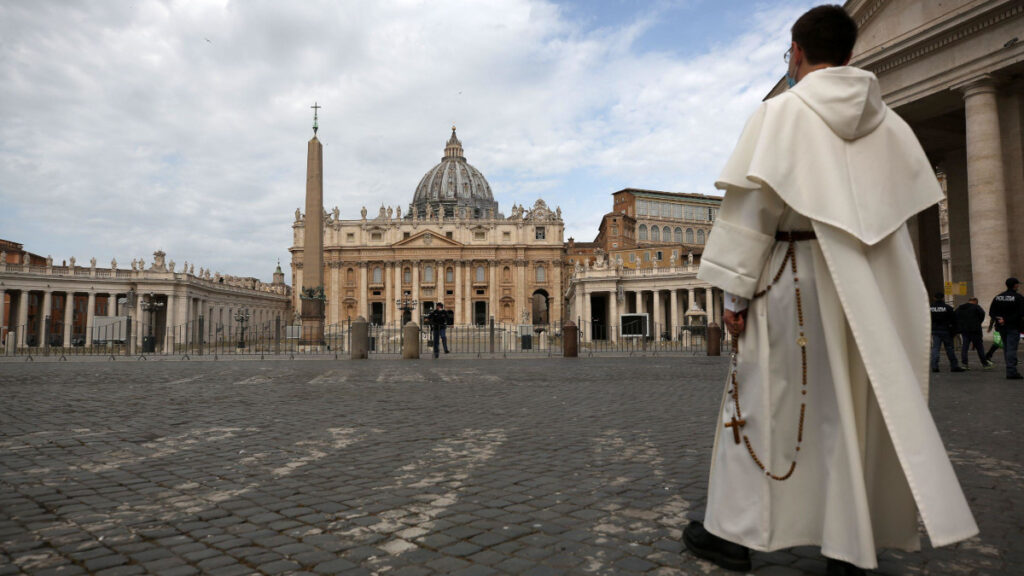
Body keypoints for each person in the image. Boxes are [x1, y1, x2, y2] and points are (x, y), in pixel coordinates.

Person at [686, 5, 977, 575]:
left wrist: (733, 297)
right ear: (849, 53)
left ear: (796, 51)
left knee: (762, 406)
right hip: (865, 292)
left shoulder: (779, 113)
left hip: (791, 281)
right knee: (851, 410)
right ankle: (851, 544)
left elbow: (752, 211)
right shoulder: (889, 124)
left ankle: (734, 535)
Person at [989, 277, 1023, 380]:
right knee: (1011, 349)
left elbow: (991, 312)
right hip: (1013, 326)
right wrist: (1007, 320)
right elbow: (1021, 313)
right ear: (1015, 285)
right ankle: (1011, 371)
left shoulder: (998, 297)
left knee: (1007, 348)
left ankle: (1010, 370)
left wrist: (999, 319)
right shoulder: (1018, 297)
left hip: (1001, 327)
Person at [930, 293, 965, 373]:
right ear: (943, 298)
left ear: (934, 298)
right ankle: (954, 366)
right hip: (946, 330)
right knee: (949, 348)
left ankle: (934, 366)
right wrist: (955, 331)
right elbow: (954, 320)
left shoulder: (930, 308)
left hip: (935, 330)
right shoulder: (948, 308)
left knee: (935, 348)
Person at [955, 297, 992, 370]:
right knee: (980, 347)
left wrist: (960, 325)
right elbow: (982, 315)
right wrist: (978, 323)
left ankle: (964, 364)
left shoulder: (960, 307)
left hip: (964, 330)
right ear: (975, 301)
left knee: (965, 347)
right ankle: (985, 364)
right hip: (975, 330)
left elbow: (955, 316)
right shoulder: (976, 307)